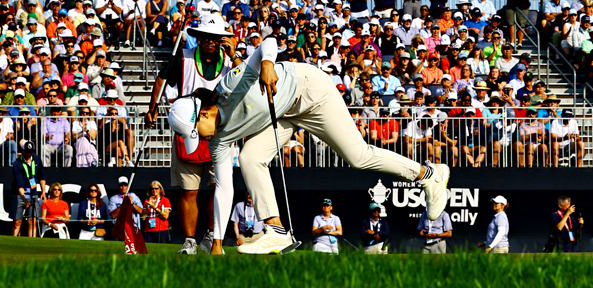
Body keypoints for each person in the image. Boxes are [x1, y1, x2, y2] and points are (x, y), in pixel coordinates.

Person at [168, 34, 451, 255]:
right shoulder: (218, 140)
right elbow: (224, 189)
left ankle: (429, 175)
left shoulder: (229, 86)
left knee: (358, 156)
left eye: (197, 132)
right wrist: (217, 241)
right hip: (284, 114)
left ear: (203, 112)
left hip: (311, 91)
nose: (201, 139)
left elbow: (267, 43)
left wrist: (267, 63)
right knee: (250, 158)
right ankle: (275, 230)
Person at [145, 18, 236, 254]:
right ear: (198, 37)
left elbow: (244, 80)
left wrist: (235, 54)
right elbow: (161, 80)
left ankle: (211, 236)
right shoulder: (182, 57)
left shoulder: (230, 62)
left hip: (220, 129)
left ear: (221, 40)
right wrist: (152, 108)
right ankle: (190, 241)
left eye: (215, 37)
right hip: (189, 128)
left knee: (220, 187)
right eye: (205, 36)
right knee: (189, 190)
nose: (210, 41)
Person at [11, 140, 46, 237]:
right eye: (27, 152)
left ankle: (32, 243)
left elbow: (42, 177)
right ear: (23, 151)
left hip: (33, 193)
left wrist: (43, 192)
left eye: (31, 152)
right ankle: (13, 242)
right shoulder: (17, 164)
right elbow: (19, 185)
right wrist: (25, 200)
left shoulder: (37, 159)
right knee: (17, 222)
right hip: (20, 194)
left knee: (33, 220)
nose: (30, 154)